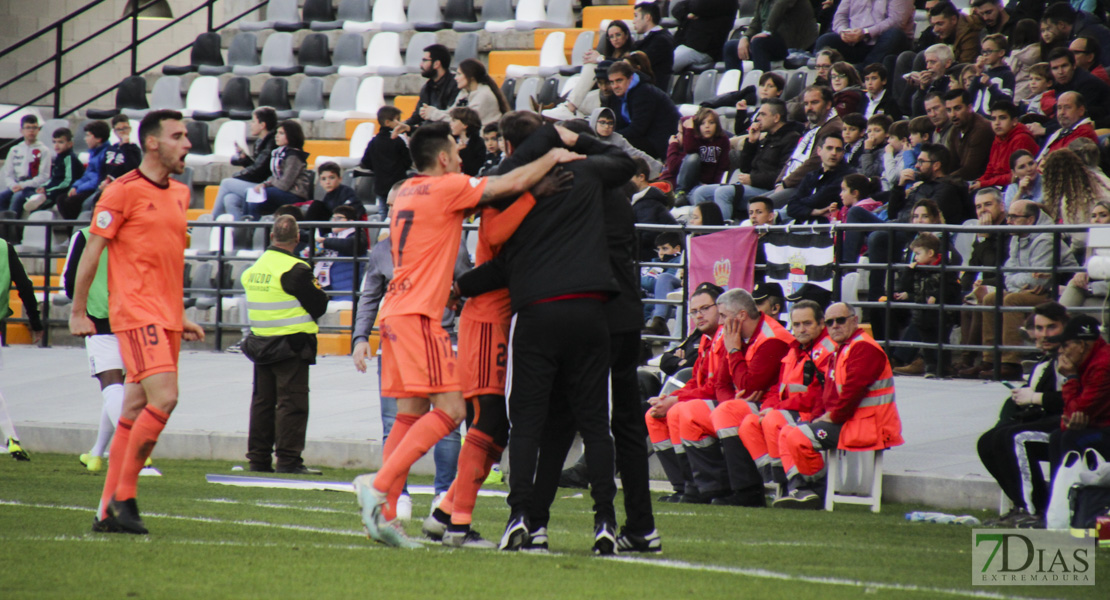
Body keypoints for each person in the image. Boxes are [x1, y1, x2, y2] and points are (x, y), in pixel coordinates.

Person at [351, 119, 589, 549]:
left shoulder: (406, 189)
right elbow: (506, 183)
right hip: (421, 314)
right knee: (453, 409)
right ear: (443, 158)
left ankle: (385, 518)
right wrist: (552, 156)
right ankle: (379, 484)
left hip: (396, 311)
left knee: (409, 416)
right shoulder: (446, 186)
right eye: (458, 153)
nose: (463, 160)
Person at [453, 116, 635, 554]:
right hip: (591, 310)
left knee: (527, 422)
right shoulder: (589, 171)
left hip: (536, 312)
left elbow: (502, 259)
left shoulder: (514, 190)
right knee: (595, 424)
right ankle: (605, 524)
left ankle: (520, 518)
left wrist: (461, 285)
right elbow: (625, 162)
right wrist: (578, 141)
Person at [69, 109, 206, 534]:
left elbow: (167, 258)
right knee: (164, 397)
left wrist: (179, 312)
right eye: (178, 136)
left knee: (134, 407)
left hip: (165, 314)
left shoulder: (180, 193)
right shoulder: (122, 192)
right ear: (152, 143)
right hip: (134, 313)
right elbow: (91, 254)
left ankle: (103, 512)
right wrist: (77, 311)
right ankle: (125, 497)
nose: (187, 143)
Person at [351, 182, 470, 524]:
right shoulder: (383, 249)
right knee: (402, 421)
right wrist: (360, 337)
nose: (392, 213)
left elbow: (464, 282)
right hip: (398, 337)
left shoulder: (446, 241)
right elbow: (370, 294)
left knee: (442, 424)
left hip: (437, 334)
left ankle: (440, 494)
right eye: (389, 206)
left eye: (397, 204)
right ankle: (391, 497)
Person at [775, 302, 904, 508]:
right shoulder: (842, 349)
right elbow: (829, 396)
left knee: (798, 436)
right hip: (852, 423)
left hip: (869, 427)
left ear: (854, 320)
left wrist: (831, 417)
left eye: (840, 320)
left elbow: (853, 391)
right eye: (830, 322)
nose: (834, 325)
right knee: (786, 432)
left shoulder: (863, 348)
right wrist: (818, 417)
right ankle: (800, 489)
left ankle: (815, 489)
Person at [676, 288, 794, 507]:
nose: (720, 323)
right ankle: (710, 488)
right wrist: (731, 400)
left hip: (771, 406)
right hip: (746, 403)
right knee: (686, 411)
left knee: (726, 412)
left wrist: (733, 351)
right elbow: (722, 382)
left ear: (740, 316)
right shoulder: (736, 335)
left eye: (723, 316)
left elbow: (749, 386)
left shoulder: (772, 339)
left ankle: (747, 491)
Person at [240, 214, 329, 474]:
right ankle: (289, 461)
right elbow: (319, 304)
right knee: (292, 404)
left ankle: (258, 460)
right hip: (291, 345)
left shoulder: (254, 269)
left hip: (261, 344)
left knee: (262, 404)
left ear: (271, 236)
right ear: (297, 238)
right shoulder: (296, 269)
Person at [960, 200, 1078, 381]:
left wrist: (1023, 283)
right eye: (1009, 216)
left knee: (1011, 300)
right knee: (991, 298)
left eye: (1014, 217)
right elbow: (1008, 274)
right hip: (1029, 291)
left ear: (1030, 219)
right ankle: (990, 360)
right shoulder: (1017, 236)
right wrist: (1021, 284)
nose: (1008, 221)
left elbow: (1039, 280)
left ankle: (1011, 363)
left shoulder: (1046, 238)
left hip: (1056, 292)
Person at [977, 301, 1069, 527]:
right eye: (1039, 329)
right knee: (988, 441)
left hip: (1073, 425)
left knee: (1013, 438)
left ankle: (1035, 510)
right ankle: (1021, 504)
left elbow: (1073, 398)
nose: (1044, 335)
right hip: (1049, 420)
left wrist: (1035, 398)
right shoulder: (1046, 360)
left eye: (1051, 328)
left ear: (1065, 327)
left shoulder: (1070, 356)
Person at [738, 300, 836, 492]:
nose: (801, 329)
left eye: (807, 323)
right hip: (792, 409)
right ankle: (779, 479)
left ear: (821, 323)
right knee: (749, 424)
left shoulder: (828, 350)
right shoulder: (795, 349)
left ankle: (798, 484)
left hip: (813, 412)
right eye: (796, 325)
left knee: (773, 420)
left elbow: (818, 395)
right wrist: (768, 406)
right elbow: (779, 388)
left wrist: (775, 409)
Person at [643, 283, 727, 503]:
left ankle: (704, 487)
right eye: (694, 311)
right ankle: (682, 486)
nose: (698, 315)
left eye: (705, 308)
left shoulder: (726, 336)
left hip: (727, 403)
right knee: (653, 416)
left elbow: (716, 387)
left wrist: (675, 400)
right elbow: (691, 377)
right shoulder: (705, 340)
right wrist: (668, 398)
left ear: (720, 308)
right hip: (708, 401)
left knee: (679, 412)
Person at [63, 226, 124, 473]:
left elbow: (69, 281)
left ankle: (136, 449)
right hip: (135, 317)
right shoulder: (134, 231)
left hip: (99, 319)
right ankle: (96, 453)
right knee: (118, 389)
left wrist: (80, 307)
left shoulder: (86, 235)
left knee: (111, 386)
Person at [1044, 313, 1110, 529]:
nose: (1061, 351)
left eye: (1065, 345)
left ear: (1081, 344)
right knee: (1058, 437)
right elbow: (1072, 416)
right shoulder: (1092, 358)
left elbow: (1073, 415)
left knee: (1070, 439)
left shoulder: (1102, 365)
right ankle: (1056, 507)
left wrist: (1071, 378)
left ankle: (1069, 510)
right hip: (1099, 426)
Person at [0, 235, 45, 461]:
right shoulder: (4, 248)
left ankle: (10, 437)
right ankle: (11, 438)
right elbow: (25, 287)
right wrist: (36, 323)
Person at [955, 187, 1010, 373]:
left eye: (988, 204)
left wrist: (987, 237)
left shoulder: (1010, 229)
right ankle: (965, 359)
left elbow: (1003, 267)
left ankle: (973, 360)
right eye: (978, 207)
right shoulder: (983, 233)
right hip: (988, 285)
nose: (983, 210)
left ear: (1001, 206)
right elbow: (973, 265)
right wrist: (962, 289)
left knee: (980, 300)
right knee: (965, 301)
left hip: (1007, 283)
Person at [891, 233, 962, 376]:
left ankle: (943, 367)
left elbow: (952, 289)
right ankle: (930, 367)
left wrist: (936, 296)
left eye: (918, 253)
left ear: (930, 253)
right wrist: (909, 272)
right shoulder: (917, 269)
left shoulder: (945, 269)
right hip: (922, 313)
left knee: (941, 340)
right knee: (927, 341)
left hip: (942, 314)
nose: (915, 257)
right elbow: (906, 286)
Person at [768, 86, 843, 208]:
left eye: (814, 103)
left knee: (763, 207)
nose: (809, 108)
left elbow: (815, 161)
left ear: (828, 104)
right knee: (756, 204)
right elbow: (793, 158)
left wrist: (786, 183)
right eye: (806, 104)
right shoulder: (814, 125)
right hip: (793, 183)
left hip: (808, 187)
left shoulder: (832, 127)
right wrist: (780, 182)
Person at [603, 60, 680, 159]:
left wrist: (611, 136)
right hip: (646, 136)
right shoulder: (619, 94)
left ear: (630, 78)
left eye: (619, 80)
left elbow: (637, 129)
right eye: (612, 82)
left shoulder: (643, 93)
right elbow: (618, 123)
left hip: (661, 141)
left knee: (617, 145)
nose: (615, 86)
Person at [212, 107, 277, 220]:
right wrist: (245, 159)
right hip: (258, 182)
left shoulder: (271, 143)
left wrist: (237, 176)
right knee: (230, 199)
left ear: (262, 125)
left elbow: (259, 172)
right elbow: (258, 167)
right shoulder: (261, 142)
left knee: (226, 183)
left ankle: (211, 223)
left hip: (266, 186)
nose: (250, 125)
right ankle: (240, 233)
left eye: (253, 121)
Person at [814, 0, 914, 67]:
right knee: (825, 40)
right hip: (853, 41)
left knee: (895, 35)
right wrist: (843, 31)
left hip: (881, 42)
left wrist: (866, 33)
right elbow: (840, 15)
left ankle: (864, 71)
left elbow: (897, 21)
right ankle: (827, 76)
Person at [726, 0, 817, 72]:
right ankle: (732, 91)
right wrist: (745, 37)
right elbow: (756, 23)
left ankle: (761, 86)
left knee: (759, 43)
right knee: (731, 47)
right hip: (770, 42)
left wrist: (767, 31)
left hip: (791, 44)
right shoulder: (762, 2)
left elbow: (780, 6)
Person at [785, 132, 852, 223]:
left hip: (828, 228)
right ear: (819, 151)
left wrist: (800, 203)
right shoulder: (811, 175)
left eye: (838, 150)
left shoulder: (848, 176)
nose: (834, 153)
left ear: (843, 153)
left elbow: (818, 199)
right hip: (804, 227)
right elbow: (791, 208)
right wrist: (815, 212)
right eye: (829, 148)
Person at [421, 59, 510, 126]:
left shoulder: (484, 95)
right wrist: (431, 110)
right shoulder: (464, 92)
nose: (455, 78)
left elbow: (463, 122)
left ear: (471, 77)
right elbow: (451, 114)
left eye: (459, 74)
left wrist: (433, 114)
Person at [362, 106, 412, 220]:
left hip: (381, 186)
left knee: (384, 214)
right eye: (397, 120)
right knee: (400, 213)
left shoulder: (373, 142)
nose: (400, 123)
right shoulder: (398, 141)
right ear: (388, 122)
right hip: (398, 185)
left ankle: (383, 235)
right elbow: (408, 161)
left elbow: (365, 162)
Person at [974, 101, 1039, 190]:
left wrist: (983, 184)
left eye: (1002, 118)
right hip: (997, 185)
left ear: (1014, 121)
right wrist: (979, 181)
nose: (997, 123)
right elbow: (990, 169)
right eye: (993, 119)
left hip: (1017, 186)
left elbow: (1015, 175)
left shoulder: (1021, 139)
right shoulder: (998, 138)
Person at [1061, 200, 1110, 317]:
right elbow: (1089, 267)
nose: (1096, 220)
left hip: (1101, 291)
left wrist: (1090, 288)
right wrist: (1081, 273)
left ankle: (1056, 323)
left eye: (1103, 215)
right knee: (1075, 285)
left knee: (1075, 305)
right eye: (1093, 216)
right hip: (1094, 293)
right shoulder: (1095, 239)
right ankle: (1056, 324)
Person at [22, 127, 83, 219]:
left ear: (70, 144)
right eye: (54, 142)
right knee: (26, 189)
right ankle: (35, 197)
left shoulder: (70, 158)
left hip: (62, 190)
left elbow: (68, 181)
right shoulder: (58, 158)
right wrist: (43, 187)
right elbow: (53, 177)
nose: (56, 145)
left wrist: (47, 189)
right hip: (52, 188)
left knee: (37, 209)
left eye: (61, 142)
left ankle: (39, 200)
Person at [312, 205, 366, 302]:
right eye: (332, 218)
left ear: (351, 222)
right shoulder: (329, 236)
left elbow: (351, 245)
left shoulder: (358, 235)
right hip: (324, 285)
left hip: (346, 290)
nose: (334, 221)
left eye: (338, 218)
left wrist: (326, 242)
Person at [0, 114, 51, 215]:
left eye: (34, 128)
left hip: (32, 187)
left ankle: (12, 228)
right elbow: (8, 174)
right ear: (22, 130)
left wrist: (22, 186)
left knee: (17, 197)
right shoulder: (14, 150)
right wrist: (13, 185)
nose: (31, 131)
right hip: (16, 185)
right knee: (2, 197)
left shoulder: (44, 150)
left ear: (38, 130)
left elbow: (44, 176)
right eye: (28, 128)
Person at [1046, 48, 1110, 128]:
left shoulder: (1087, 83)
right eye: (1055, 68)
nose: (1060, 72)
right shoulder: (1060, 84)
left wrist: (1045, 130)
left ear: (1074, 65)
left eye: (1064, 66)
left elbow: (1074, 118)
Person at [670, 0, 739, 74]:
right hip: (684, 44)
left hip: (703, 50)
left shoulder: (727, 2)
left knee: (665, 65)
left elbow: (699, 6)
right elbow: (676, 9)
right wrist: (687, 15)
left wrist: (689, 6)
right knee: (660, 57)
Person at [591, 109, 663, 179]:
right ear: (594, 121)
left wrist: (658, 166)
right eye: (602, 122)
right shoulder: (585, 137)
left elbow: (634, 153)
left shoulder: (617, 139)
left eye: (610, 123)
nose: (606, 126)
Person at [629, 158, 677, 260]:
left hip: (658, 256)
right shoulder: (643, 200)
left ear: (641, 177)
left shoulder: (647, 202)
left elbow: (648, 235)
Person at [59, 121, 110, 219]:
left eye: (88, 136)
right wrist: (75, 186)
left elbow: (98, 179)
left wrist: (79, 189)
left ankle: (76, 230)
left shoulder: (106, 154)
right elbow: (86, 175)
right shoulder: (94, 152)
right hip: (86, 187)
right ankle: (71, 231)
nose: (85, 139)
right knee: (61, 199)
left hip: (95, 189)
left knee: (71, 202)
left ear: (98, 139)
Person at [942, 89, 995, 183]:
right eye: (949, 110)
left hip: (980, 182)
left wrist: (942, 181)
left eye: (957, 108)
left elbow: (970, 171)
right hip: (963, 180)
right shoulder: (955, 129)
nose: (953, 115)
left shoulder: (981, 129)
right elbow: (952, 163)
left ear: (969, 108)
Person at [675, 109, 730, 194]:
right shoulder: (694, 138)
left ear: (717, 125)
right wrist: (690, 128)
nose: (707, 126)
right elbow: (689, 150)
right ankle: (680, 192)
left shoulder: (723, 140)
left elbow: (723, 166)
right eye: (702, 123)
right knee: (693, 157)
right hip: (693, 182)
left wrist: (713, 186)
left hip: (709, 185)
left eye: (711, 123)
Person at [404, 44, 459, 128]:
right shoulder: (427, 87)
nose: (420, 65)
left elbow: (452, 117)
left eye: (424, 60)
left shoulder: (456, 85)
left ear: (436, 64)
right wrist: (404, 125)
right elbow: (417, 116)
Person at [1036, 90, 1100, 160]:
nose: (1062, 112)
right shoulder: (1060, 132)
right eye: (1059, 108)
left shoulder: (1084, 133)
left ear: (1081, 110)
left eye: (1067, 107)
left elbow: (1065, 163)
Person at [969, 34, 1016, 116]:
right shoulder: (983, 73)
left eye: (989, 51)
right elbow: (969, 97)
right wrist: (977, 74)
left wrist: (990, 86)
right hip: (977, 117)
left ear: (1001, 52)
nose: (985, 55)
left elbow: (1007, 101)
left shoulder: (1007, 74)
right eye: (983, 51)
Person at [632, 2, 675, 89]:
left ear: (647, 17)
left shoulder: (661, 40)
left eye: (636, 16)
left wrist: (602, 59)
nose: (633, 21)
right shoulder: (652, 38)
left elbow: (639, 62)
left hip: (653, 91)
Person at [905, 44, 954, 119]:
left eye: (932, 62)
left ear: (947, 63)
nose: (928, 67)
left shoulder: (953, 81)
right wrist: (922, 89)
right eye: (927, 62)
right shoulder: (935, 80)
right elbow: (918, 115)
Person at [101, 115, 142, 182]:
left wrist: (125, 145)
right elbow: (103, 169)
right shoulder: (110, 148)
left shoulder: (134, 149)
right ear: (114, 132)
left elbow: (132, 169)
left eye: (125, 128)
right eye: (119, 129)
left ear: (130, 129)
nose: (122, 131)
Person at [449, 107, 485, 177]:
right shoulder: (450, 140)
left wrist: (463, 152)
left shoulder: (478, 144)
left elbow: (473, 169)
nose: (451, 124)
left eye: (454, 121)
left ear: (465, 124)